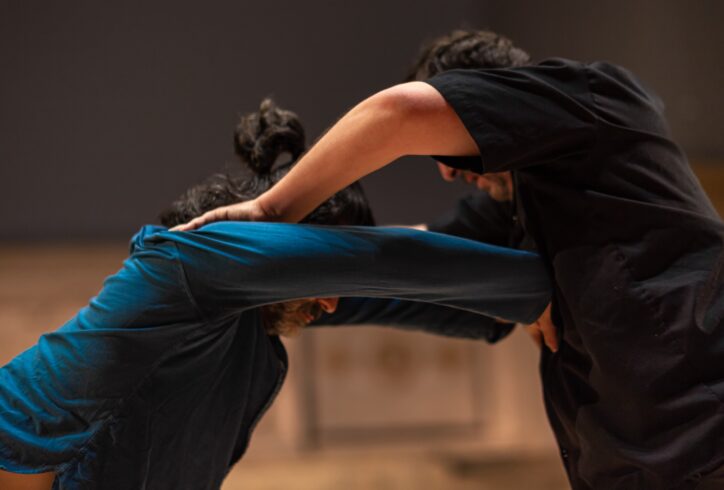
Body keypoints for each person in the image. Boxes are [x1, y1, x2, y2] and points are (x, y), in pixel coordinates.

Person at [175, 30, 724, 489]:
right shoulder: (517, 209)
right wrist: (264, 283)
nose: (447, 171)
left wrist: (272, 209)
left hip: (703, 436)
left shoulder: (594, 98)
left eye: (452, 150)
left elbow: (398, 112)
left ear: (491, 97)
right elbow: (408, 265)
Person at [0, 100, 551, 489]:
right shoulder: (187, 265)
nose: (333, 304)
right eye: (327, 284)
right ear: (291, 259)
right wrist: (532, 291)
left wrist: (519, 257)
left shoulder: (246, 317)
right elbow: (390, 263)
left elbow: (405, 289)